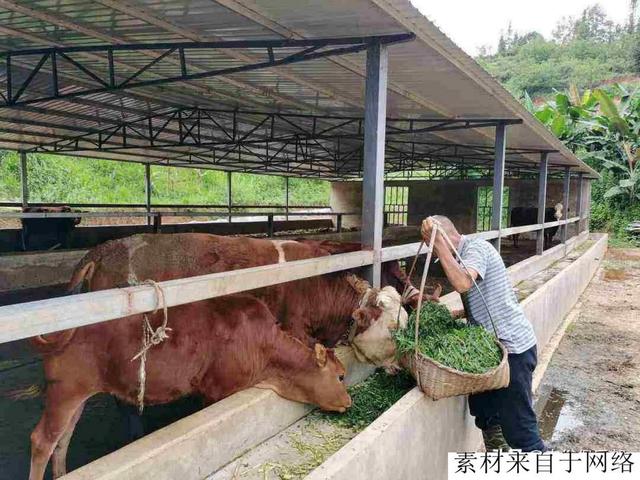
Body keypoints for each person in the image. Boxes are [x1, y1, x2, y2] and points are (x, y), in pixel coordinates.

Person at [420, 215, 546, 452]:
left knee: (520, 430)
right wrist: (455, 313)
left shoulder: (477, 248)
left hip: (512, 351)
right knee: (486, 413)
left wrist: (438, 244)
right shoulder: (462, 255)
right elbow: (478, 297)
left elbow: (464, 283)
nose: (436, 255)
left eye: (434, 248)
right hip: (490, 349)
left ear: (446, 237)